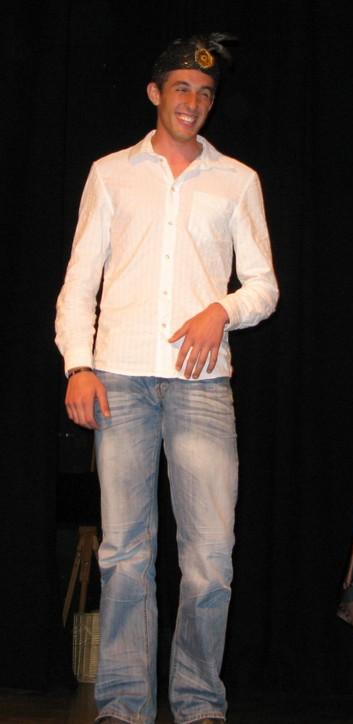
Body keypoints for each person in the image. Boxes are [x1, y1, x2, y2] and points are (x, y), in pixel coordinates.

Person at [55, 34, 279, 724]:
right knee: (125, 554)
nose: (194, 102)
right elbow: (79, 282)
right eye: (181, 88)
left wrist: (224, 309)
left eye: (206, 93)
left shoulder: (237, 180)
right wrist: (78, 365)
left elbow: (266, 287)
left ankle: (198, 703)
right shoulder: (111, 173)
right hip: (119, 377)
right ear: (156, 94)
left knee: (210, 558)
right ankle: (123, 707)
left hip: (202, 384)